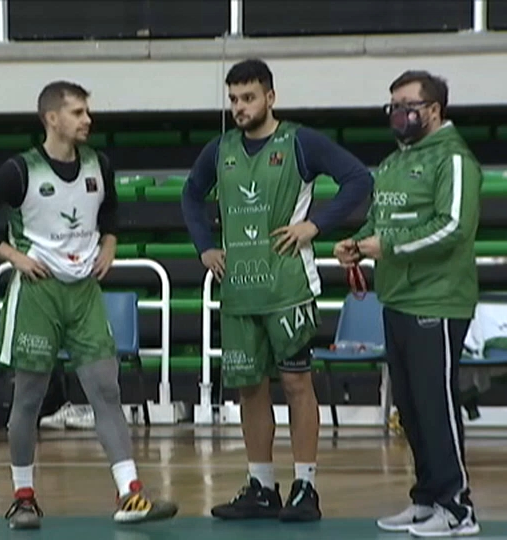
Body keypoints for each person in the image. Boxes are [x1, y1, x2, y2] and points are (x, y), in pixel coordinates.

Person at [0, 80, 178, 530]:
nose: (86, 119)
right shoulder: (20, 171)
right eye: (77, 112)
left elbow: (110, 211)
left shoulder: (100, 164)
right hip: (38, 293)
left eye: (86, 111)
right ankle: (23, 496)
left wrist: (110, 243)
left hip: (84, 293)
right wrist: (14, 256)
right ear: (51, 118)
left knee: (106, 391)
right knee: (29, 399)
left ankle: (130, 493)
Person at [181, 58, 374, 522]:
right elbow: (190, 194)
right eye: (233, 100)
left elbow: (359, 179)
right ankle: (262, 486)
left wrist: (316, 224)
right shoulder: (219, 148)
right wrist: (205, 248)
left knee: (295, 383)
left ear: (271, 97)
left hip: (288, 283)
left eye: (248, 98)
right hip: (239, 288)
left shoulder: (300, 142)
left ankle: (305, 486)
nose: (239, 108)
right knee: (249, 387)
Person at [334, 70, 482, 537]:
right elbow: (379, 220)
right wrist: (356, 244)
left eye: (407, 105)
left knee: (436, 404)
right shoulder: (395, 162)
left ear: (434, 110)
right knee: (412, 408)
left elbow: (453, 227)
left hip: (436, 300)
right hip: (395, 298)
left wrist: (388, 245)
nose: (398, 113)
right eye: (393, 105)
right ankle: (426, 498)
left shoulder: (454, 160)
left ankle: (458, 508)